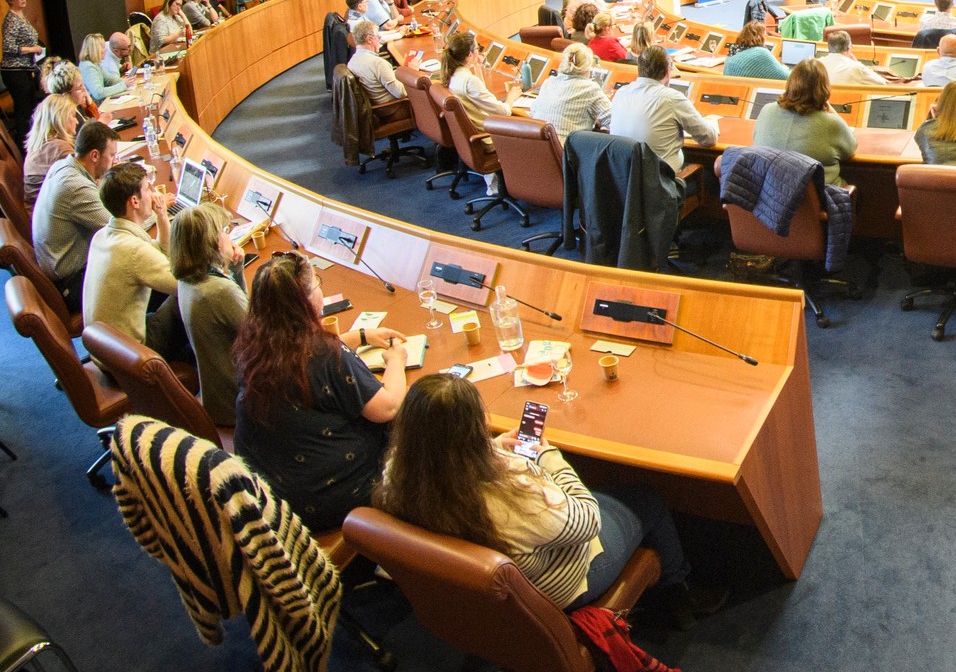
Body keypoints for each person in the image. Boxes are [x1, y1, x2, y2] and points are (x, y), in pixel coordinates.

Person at [379, 375, 698, 615]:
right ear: (471, 430)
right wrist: (550, 459)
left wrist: (490, 448)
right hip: (562, 585)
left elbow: (439, 454)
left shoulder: (399, 472)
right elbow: (588, 522)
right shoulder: (509, 499)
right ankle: (679, 594)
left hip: (477, 596)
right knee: (646, 498)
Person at [234, 252, 409, 533]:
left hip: (273, 494)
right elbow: (387, 407)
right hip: (332, 498)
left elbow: (297, 354)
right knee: (412, 422)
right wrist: (397, 361)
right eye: (316, 284)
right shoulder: (327, 355)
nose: (320, 290)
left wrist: (360, 336)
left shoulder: (253, 343)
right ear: (304, 301)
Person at [82, 161, 180, 353]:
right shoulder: (133, 251)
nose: (153, 194)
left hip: (108, 349)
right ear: (134, 201)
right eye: (147, 188)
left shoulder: (103, 235)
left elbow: (159, 251)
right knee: (195, 297)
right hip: (134, 354)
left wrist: (161, 216)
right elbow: (183, 285)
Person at [170, 201, 249, 426]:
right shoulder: (218, 291)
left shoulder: (187, 280)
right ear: (213, 242)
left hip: (219, 396)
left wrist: (236, 270)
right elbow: (263, 335)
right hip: (239, 405)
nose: (228, 237)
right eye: (225, 232)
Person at [32, 119, 116, 305]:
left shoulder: (63, 166)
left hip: (64, 268)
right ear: (95, 155)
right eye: (111, 156)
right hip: (74, 283)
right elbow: (118, 227)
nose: (114, 161)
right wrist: (154, 209)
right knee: (146, 270)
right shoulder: (74, 187)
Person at [610, 47, 718, 175]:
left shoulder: (621, 93)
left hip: (623, 178)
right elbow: (709, 138)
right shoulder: (672, 98)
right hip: (661, 183)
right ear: (668, 72)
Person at [753, 59, 857, 186]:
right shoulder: (832, 124)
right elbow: (850, 150)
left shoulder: (766, 110)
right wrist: (829, 108)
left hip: (770, 195)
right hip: (817, 200)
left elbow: (755, 140)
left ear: (790, 83)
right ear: (824, 88)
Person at [530, 42, 613, 134]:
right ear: (587, 67)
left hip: (542, 145)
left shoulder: (548, 82)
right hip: (567, 146)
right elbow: (613, 121)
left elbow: (533, 112)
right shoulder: (590, 88)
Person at [21, 92, 81, 206]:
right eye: (73, 116)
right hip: (54, 213)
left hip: (44, 209)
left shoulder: (42, 143)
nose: (77, 121)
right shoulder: (59, 148)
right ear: (60, 118)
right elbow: (87, 181)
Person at [443, 30, 509, 122]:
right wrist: (511, 98)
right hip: (487, 130)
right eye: (477, 49)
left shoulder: (451, 72)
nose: (479, 52)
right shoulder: (470, 81)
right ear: (470, 55)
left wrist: (477, 68)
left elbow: (481, 94)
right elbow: (503, 112)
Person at [347, 19, 414, 105]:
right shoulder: (378, 64)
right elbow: (401, 93)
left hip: (376, 108)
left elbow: (381, 77)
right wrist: (411, 72)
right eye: (378, 37)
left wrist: (403, 70)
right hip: (393, 108)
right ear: (369, 40)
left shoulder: (352, 61)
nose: (379, 40)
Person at [722, 20, 789, 81]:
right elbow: (786, 77)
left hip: (734, 90)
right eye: (765, 35)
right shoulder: (760, 53)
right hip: (749, 91)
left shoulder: (733, 49)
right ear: (761, 37)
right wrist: (784, 69)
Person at [818, 29, 887, 86]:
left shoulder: (816, 64)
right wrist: (857, 63)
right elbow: (882, 83)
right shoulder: (856, 67)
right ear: (848, 48)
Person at [78, 34, 125, 105]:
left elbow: (109, 79)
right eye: (103, 47)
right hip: (98, 108)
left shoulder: (95, 63)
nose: (106, 49)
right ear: (95, 49)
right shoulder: (88, 67)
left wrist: (126, 82)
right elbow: (98, 93)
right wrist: (123, 85)